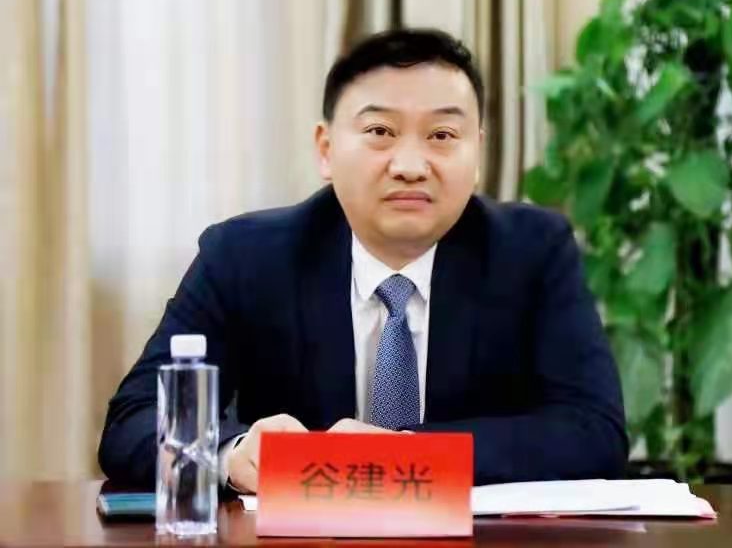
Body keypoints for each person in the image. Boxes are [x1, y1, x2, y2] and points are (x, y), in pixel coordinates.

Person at [99, 28, 627, 493]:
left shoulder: (533, 252)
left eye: (442, 136)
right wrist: (231, 455)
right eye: (380, 132)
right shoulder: (245, 256)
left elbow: (593, 431)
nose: (411, 165)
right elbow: (133, 421)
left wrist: (404, 454)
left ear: (477, 154)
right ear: (326, 149)